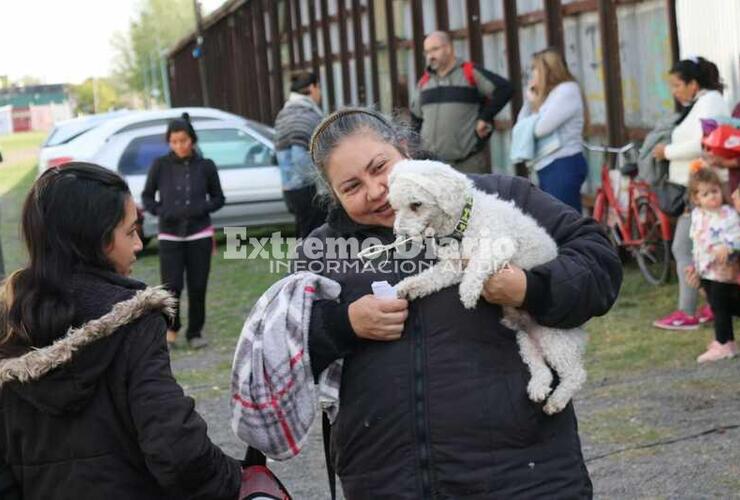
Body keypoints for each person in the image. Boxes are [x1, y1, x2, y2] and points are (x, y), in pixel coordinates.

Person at [299, 108, 622, 498]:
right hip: (389, 481)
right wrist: (343, 324)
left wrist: (529, 288)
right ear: (332, 195)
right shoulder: (322, 251)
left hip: (523, 475)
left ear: (404, 148)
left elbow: (598, 261)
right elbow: (283, 350)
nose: (375, 190)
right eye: (351, 187)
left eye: (379, 166)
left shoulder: (497, 198)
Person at [0, 163, 240, 498]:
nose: (139, 245)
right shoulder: (134, 321)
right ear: (95, 241)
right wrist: (236, 480)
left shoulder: (9, 322)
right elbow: (176, 451)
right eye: (129, 232)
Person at [652, 57, 729, 330]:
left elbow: (704, 142)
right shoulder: (704, 102)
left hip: (706, 189)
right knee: (696, 247)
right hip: (697, 189)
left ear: (693, 84)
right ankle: (712, 305)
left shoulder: (710, 103)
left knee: (683, 247)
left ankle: (688, 312)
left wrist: (667, 152)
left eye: (677, 85)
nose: (674, 91)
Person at [142, 113, 225, 349]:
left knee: (198, 286)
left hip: (199, 234)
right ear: (169, 142)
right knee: (171, 287)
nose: (180, 146)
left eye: (184, 141)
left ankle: (195, 332)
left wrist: (201, 208)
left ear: (192, 140)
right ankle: (172, 328)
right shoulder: (160, 166)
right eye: (174, 142)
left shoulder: (206, 166)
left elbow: (219, 198)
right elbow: (147, 197)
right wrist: (162, 210)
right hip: (170, 236)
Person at [410, 31, 513, 174]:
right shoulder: (424, 82)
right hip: (433, 167)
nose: (430, 56)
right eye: (427, 52)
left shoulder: (469, 72)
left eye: (435, 49)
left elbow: (505, 89)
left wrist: (485, 117)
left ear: (449, 48)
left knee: (470, 198)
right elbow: (416, 119)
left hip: (467, 164)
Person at [516, 48, 589, 212]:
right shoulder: (549, 95)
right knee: (552, 224)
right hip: (547, 165)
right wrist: (530, 101)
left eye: (535, 69)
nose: (532, 74)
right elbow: (521, 127)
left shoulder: (567, 90)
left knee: (565, 223)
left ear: (547, 70)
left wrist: (535, 105)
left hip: (563, 164)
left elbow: (540, 129)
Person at [685, 168, 740, 362]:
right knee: (714, 302)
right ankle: (728, 342)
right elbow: (696, 240)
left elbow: (736, 234)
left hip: (722, 268)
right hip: (705, 267)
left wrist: (728, 246)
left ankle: (722, 342)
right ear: (696, 198)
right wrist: (695, 264)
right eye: (705, 194)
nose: (712, 197)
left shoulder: (728, 214)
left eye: (715, 191)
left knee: (720, 304)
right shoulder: (698, 215)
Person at [274, 71, 328, 238]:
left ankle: (301, 263)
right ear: (312, 87)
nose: (320, 93)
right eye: (319, 87)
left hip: (290, 189)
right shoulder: (305, 115)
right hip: (309, 189)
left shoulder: (283, 114)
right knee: (314, 239)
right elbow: (301, 158)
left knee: (303, 235)